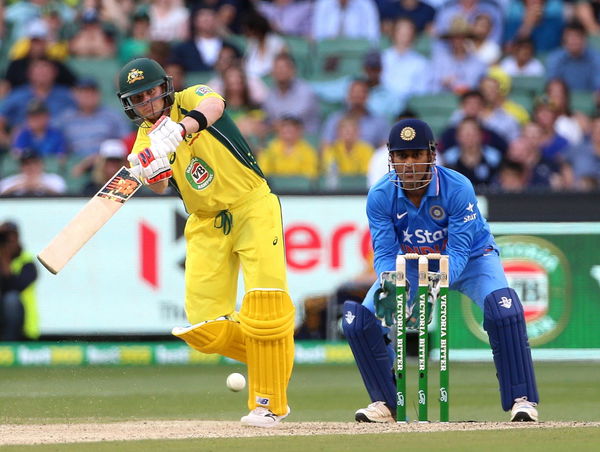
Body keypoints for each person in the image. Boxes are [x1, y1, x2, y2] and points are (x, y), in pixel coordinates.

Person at [116, 57, 294, 427]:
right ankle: (272, 352)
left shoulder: (191, 97)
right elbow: (160, 184)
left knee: (265, 304)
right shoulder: (145, 138)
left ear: (165, 87)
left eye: (151, 93)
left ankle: (269, 404)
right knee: (202, 328)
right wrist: (150, 167)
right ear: (130, 105)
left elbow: (214, 105)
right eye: (139, 99)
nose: (148, 103)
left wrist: (180, 130)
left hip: (251, 206)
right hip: (205, 223)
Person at [342, 118, 539, 423]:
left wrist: (434, 286)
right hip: (409, 265)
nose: (409, 165)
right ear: (391, 157)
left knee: (505, 311)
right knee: (361, 320)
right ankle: (386, 403)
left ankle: (522, 400)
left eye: (416, 155)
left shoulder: (458, 187)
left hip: (474, 260)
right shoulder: (380, 195)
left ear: (431, 154)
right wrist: (394, 286)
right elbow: (383, 254)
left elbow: (459, 251)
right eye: (402, 156)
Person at [0, 221, 40, 341]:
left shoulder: (27, 262)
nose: (9, 243)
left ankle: (9, 343)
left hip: (24, 327)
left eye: (12, 238)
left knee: (11, 299)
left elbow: (15, 286)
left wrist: (4, 258)